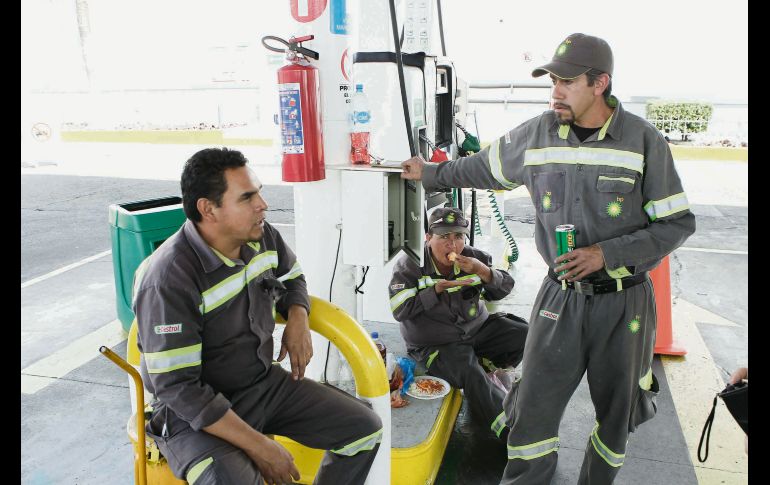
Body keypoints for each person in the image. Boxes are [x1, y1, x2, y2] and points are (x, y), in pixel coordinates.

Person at [401, 33, 696, 484]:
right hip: (560, 300)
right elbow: (479, 167)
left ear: (600, 84)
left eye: (567, 82)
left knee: (616, 417)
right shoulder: (537, 134)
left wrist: (606, 253)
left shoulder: (643, 141)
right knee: (532, 408)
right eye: (553, 80)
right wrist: (432, 172)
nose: (555, 91)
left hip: (623, 305)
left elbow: (677, 224)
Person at [133, 148, 382, 485]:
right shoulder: (169, 279)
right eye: (247, 197)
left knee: (363, 431)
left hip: (261, 385)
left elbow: (292, 277)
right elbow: (179, 388)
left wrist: (298, 316)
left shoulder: (263, 237)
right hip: (193, 415)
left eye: (259, 191)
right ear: (208, 209)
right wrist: (262, 448)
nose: (262, 203)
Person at [388, 206, 528, 442]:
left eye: (458, 237)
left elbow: (504, 289)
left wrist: (484, 272)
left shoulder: (474, 258)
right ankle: (508, 432)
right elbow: (399, 309)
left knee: (523, 333)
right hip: (436, 345)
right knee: (469, 371)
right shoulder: (410, 265)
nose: (452, 245)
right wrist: (435, 291)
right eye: (444, 237)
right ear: (428, 238)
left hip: (477, 331)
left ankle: (487, 367)